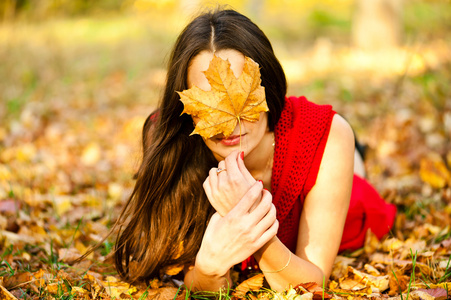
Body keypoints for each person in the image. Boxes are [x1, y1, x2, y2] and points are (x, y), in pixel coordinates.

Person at [113, 8, 396, 292]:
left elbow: (312, 285)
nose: (229, 123)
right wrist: (208, 271)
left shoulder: (326, 134)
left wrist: (250, 221)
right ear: (186, 108)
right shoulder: (169, 139)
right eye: (208, 104)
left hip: (340, 184)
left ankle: (357, 153)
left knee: (348, 152)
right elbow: (191, 280)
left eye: (241, 99)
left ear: (267, 87)